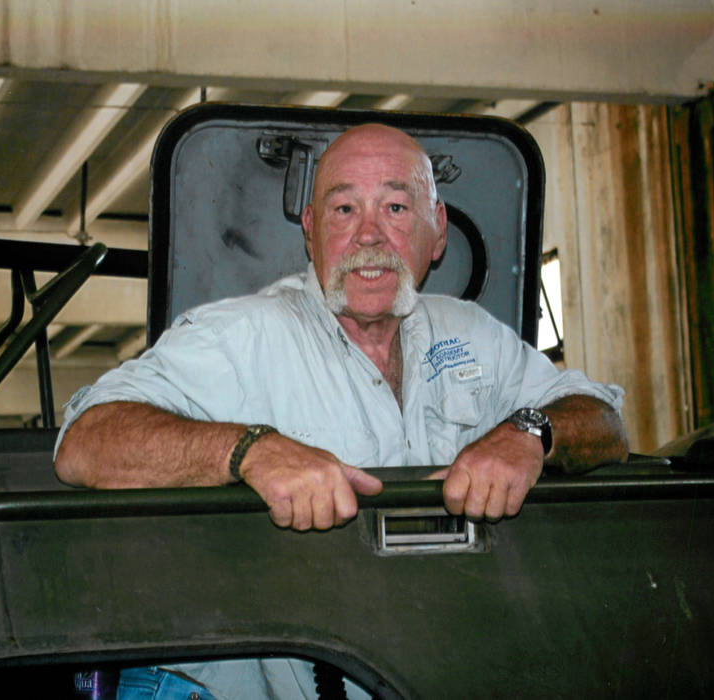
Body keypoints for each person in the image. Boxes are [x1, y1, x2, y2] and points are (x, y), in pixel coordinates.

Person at [53, 123, 628, 699]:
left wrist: (528, 433)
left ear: (438, 231)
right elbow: (86, 440)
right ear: (311, 232)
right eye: (345, 208)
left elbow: (602, 419)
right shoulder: (244, 334)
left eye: (396, 207)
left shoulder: (473, 336)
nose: (368, 236)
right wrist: (249, 450)